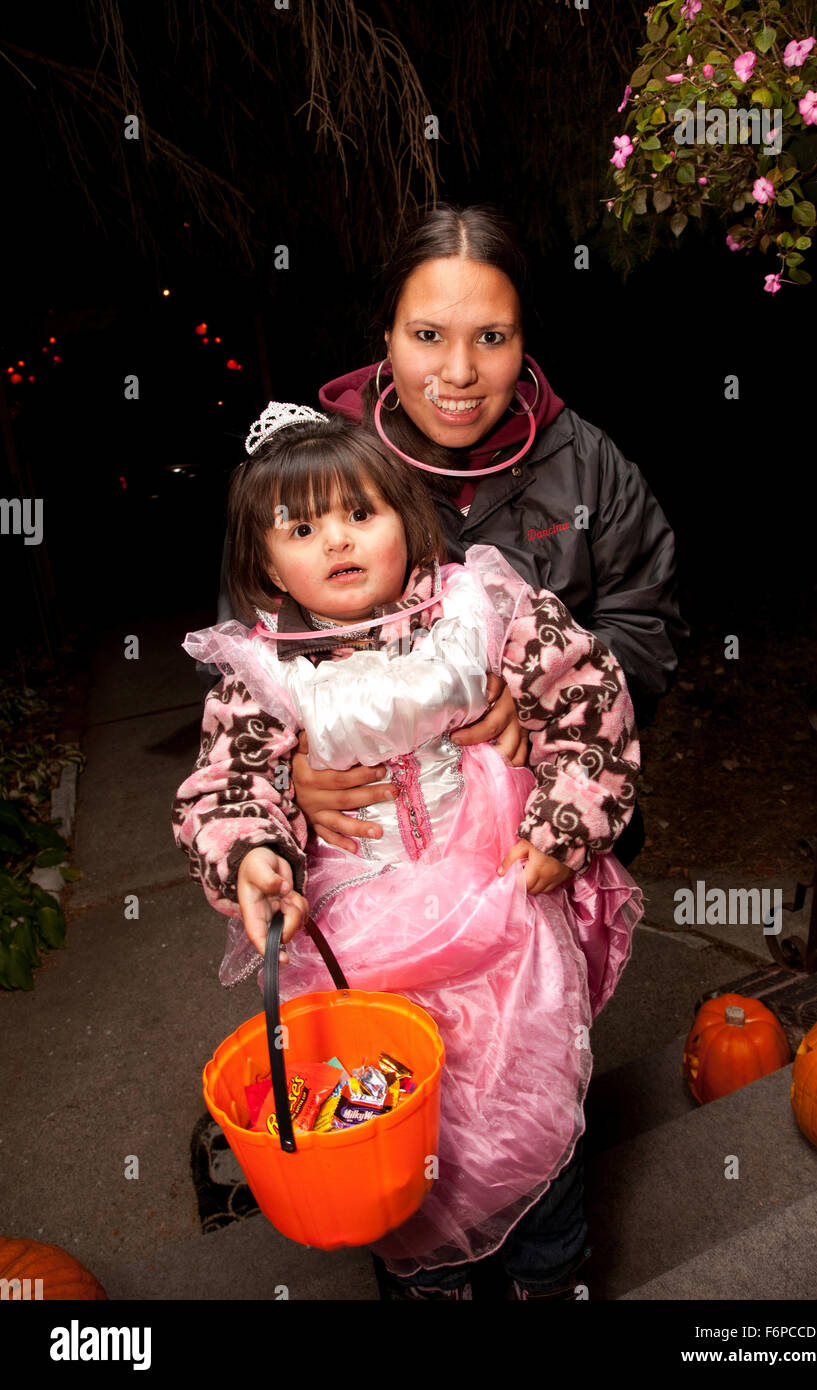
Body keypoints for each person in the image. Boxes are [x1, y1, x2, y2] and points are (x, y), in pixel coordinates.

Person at [174, 405, 644, 1298]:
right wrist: (252, 855)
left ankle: (552, 1271)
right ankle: (429, 1282)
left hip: (501, 907)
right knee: (394, 1126)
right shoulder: (265, 674)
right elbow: (225, 786)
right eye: (302, 527)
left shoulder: (479, 610)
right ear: (263, 563)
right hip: (362, 948)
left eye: (362, 513)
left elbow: (590, 701)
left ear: (409, 518)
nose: (337, 541)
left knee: (528, 1108)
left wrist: (563, 824)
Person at [203, 204, 687, 871]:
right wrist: (290, 778)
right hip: (374, 871)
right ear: (387, 335)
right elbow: (243, 666)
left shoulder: (585, 462)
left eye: (491, 337)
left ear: (524, 343)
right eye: (428, 334)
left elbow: (645, 622)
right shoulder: (316, 476)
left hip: (543, 851)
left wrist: (542, 707)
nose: (458, 372)